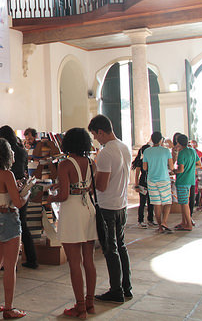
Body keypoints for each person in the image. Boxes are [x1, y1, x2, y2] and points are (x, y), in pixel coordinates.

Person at [46, 128, 97, 318]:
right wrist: (65, 185)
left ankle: (80, 307)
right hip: (88, 208)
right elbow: (89, 186)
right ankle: (90, 303)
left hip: (72, 211)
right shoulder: (91, 162)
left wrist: (50, 199)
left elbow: (64, 195)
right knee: (88, 261)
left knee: (74, 263)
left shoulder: (65, 164)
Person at [0, 138, 29, 319]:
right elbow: (17, 202)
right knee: (10, 266)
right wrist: (27, 193)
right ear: (6, 154)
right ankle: (9, 308)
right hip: (8, 219)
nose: (13, 153)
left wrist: (14, 191)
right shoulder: (7, 174)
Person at [87, 114, 132, 303]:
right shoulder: (124, 147)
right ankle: (126, 287)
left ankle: (116, 291)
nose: (95, 139)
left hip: (107, 206)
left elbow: (102, 185)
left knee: (110, 249)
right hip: (121, 204)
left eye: (95, 135)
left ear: (101, 131)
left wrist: (91, 181)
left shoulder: (106, 153)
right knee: (120, 246)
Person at [0, 125, 38, 269]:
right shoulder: (22, 151)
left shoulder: (4, 152)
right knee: (22, 225)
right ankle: (31, 258)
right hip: (21, 189)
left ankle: (7, 262)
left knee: (7, 227)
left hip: (8, 190)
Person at [142, 132, 174, 234]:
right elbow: (172, 167)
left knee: (157, 204)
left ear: (152, 139)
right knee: (167, 202)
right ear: (161, 140)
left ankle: (160, 226)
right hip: (164, 179)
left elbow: (145, 167)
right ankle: (164, 222)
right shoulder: (166, 151)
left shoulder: (147, 151)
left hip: (151, 180)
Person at [172, 134, 200, 231]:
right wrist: (191, 168)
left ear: (178, 142)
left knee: (184, 204)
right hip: (190, 179)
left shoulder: (182, 153)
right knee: (184, 202)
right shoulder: (192, 151)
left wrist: (173, 171)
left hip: (182, 180)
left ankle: (188, 223)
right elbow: (198, 164)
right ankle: (184, 222)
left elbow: (181, 169)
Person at [132, 144, 155, 228]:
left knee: (151, 202)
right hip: (142, 183)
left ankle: (150, 219)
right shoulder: (140, 161)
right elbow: (137, 174)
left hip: (150, 183)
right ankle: (140, 220)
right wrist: (137, 185)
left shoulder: (151, 160)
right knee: (142, 202)